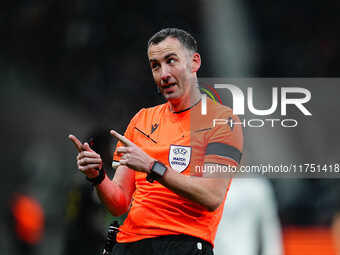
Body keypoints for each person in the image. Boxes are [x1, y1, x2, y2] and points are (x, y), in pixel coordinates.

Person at [69, 28, 243, 255]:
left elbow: (211, 196)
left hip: (183, 244)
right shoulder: (142, 119)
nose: (163, 74)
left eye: (171, 61)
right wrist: (98, 176)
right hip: (129, 244)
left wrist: (152, 167)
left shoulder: (223, 120)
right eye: (155, 66)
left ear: (194, 62)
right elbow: (119, 202)